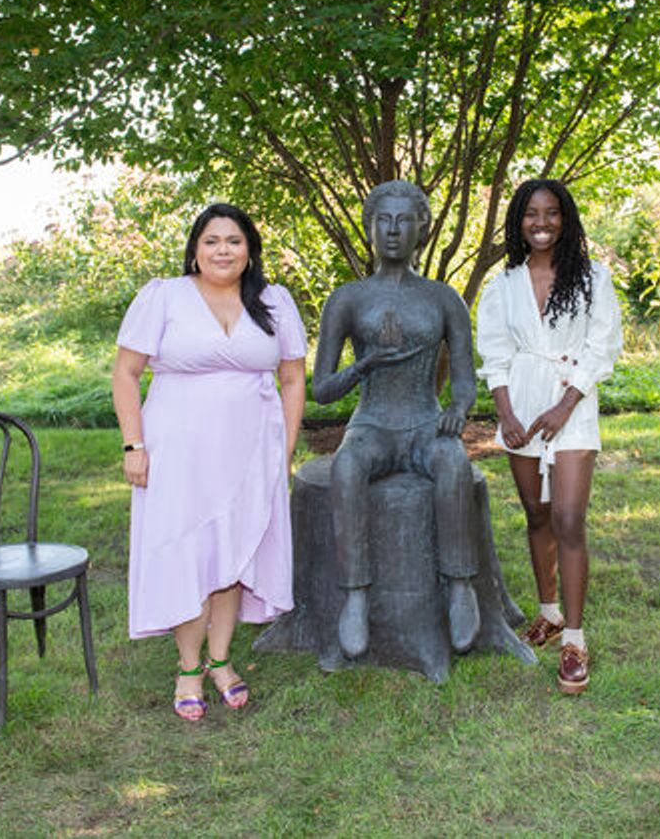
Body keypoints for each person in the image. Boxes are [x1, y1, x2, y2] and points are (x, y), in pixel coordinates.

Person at [112, 203, 306, 721]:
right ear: (195, 250)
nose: (224, 250)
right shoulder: (163, 297)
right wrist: (134, 446)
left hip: (250, 453)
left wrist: (282, 453)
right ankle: (188, 667)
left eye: (234, 241)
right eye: (212, 241)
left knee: (233, 555)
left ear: (249, 250)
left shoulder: (273, 302)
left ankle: (221, 660)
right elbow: (126, 373)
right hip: (178, 454)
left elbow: (291, 379)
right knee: (187, 554)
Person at [311, 180, 481, 659]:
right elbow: (322, 390)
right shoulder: (347, 299)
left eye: (404, 221)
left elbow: (465, 378)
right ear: (368, 228)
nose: (392, 230)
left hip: (426, 422)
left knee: (452, 462)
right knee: (346, 467)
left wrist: (457, 410)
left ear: (421, 231)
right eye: (383, 220)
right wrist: (366, 363)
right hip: (373, 424)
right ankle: (355, 595)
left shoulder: (444, 298)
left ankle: (460, 585)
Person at [475, 178, 622, 694]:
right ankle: (549, 612)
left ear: (566, 218)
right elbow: (493, 350)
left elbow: (603, 345)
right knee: (536, 514)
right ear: (518, 222)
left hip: (571, 404)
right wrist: (506, 414)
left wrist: (565, 405)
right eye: (531, 214)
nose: (541, 223)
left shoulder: (591, 278)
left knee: (568, 518)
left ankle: (575, 639)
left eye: (551, 213)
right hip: (521, 402)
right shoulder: (505, 284)